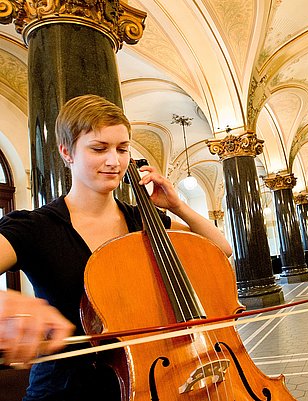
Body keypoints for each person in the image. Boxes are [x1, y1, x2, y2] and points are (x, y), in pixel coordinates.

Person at [0, 94, 233, 400]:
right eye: (99, 148)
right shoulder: (36, 227)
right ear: (66, 152)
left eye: (122, 149)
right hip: (64, 392)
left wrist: (178, 206)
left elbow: (220, 249)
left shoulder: (143, 221)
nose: (114, 161)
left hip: (148, 383)